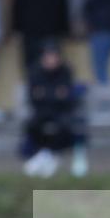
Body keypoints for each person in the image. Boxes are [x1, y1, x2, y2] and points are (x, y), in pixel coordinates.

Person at [22, 41, 88, 177]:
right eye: (49, 56)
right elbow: (34, 96)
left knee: (65, 126)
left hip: (61, 111)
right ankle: (43, 154)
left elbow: (66, 95)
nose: (51, 59)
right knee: (33, 125)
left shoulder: (65, 71)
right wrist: (54, 94)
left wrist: (46, 94)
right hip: (41, 111)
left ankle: (51, 154)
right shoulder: (35, 71)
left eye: (54, 56)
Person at [13, 0, 70, 74]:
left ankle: (34, 84)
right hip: (51, 32)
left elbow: (18, 9)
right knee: (52, 67)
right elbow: (62, 10)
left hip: (30, 33)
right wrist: (65, 31)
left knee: (31, 67)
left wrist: (16, 29)